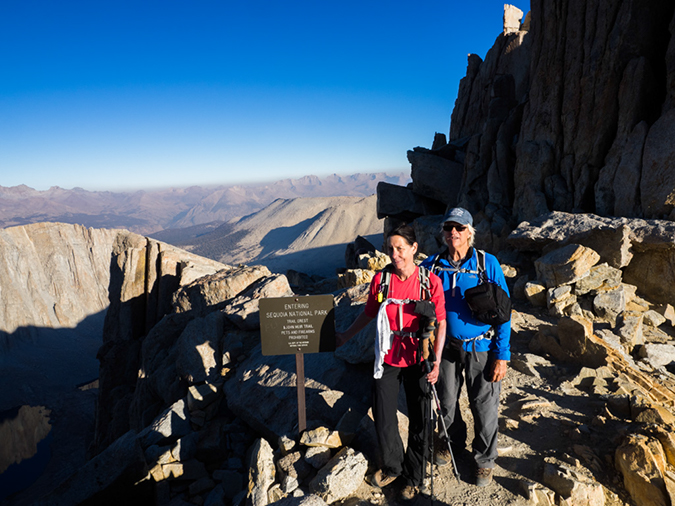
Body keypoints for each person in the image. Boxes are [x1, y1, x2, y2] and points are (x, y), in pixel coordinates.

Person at [336, 224, 447, 501]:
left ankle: (414, 475)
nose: (394, 254)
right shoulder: (381, 281)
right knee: (384, 414)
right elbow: (369, 313)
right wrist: (345, 336)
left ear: (414, 248)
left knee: (421, 418)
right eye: (390, 248)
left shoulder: (429, 282)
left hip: (419, 356)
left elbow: (442, 322)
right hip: (387, 355)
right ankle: (393, 466)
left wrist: (437, 361)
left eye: (400, 248)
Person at [420, 207, 511, 487]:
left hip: (480, 347)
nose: (454, 233)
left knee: (484, 406)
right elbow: (415, 297)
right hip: (444, 348)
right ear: (443, 232)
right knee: (446, 402)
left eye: (460, 228)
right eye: (449, 228)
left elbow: (504, 312)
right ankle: (450, 442)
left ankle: (484, 460)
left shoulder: (487, 263)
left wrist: (502, 355)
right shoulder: (432, 265)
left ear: (470, 232)